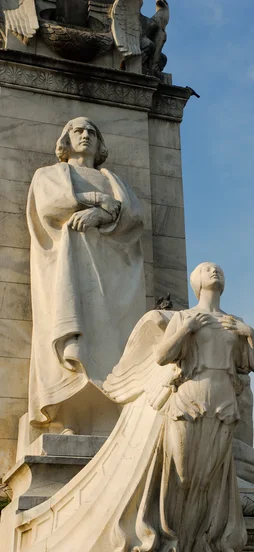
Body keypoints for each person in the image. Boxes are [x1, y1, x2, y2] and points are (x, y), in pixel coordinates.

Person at [109, 262, 254, 552]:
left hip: (223, 409)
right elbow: (162, 356)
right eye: (207, 269)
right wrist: (185, 329)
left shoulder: (234, 324)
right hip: (187, 404)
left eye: (218, 269)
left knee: (206, 484)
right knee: (180, 479)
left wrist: (250, 335)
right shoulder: (183, 317)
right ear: (196, 282)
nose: (215, 272)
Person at [27, 117, 146, 434]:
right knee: (73, 341)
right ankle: (71, 421)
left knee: (112, 346)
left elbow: (134, 218)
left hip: (112, 273)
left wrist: (104, 215)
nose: (86, 135)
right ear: (65, 140)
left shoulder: (113, 179)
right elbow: (51, 206)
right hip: (69, 270)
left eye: (92, 132)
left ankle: (111, 420)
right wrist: (96, 199)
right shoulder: (50, 174)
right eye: (78, 131)